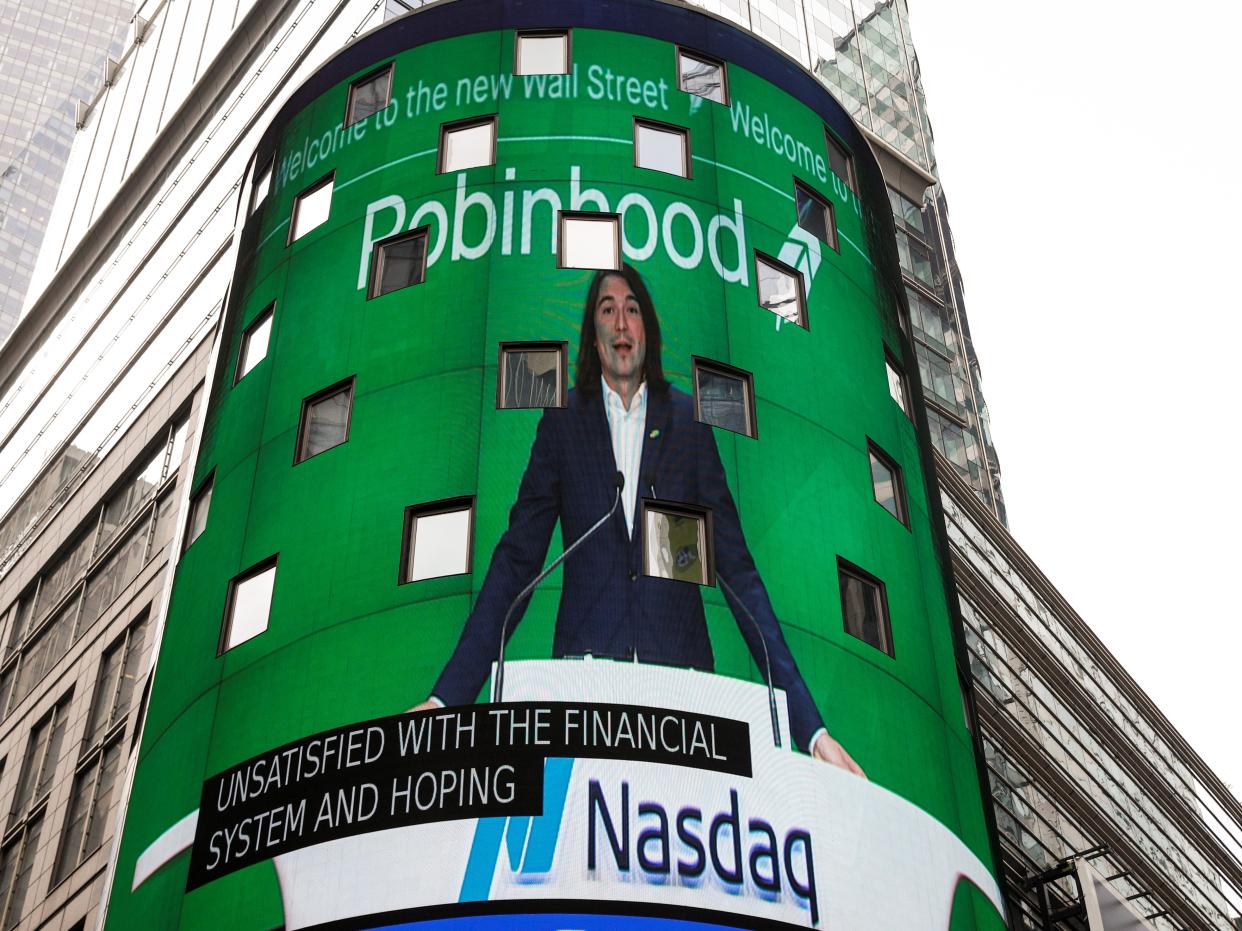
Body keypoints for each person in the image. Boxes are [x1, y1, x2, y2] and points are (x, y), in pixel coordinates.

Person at [416, 265, 863, 776]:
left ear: (647, 328)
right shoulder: (562, 421)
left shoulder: (688, 422)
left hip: (683, 706)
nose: (621, 322)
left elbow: (739, 575)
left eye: (632, 310)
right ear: (593, 333)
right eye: (608, 310)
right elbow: (516, 563)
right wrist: (447, 700)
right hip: (586, 701)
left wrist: (810, 728)